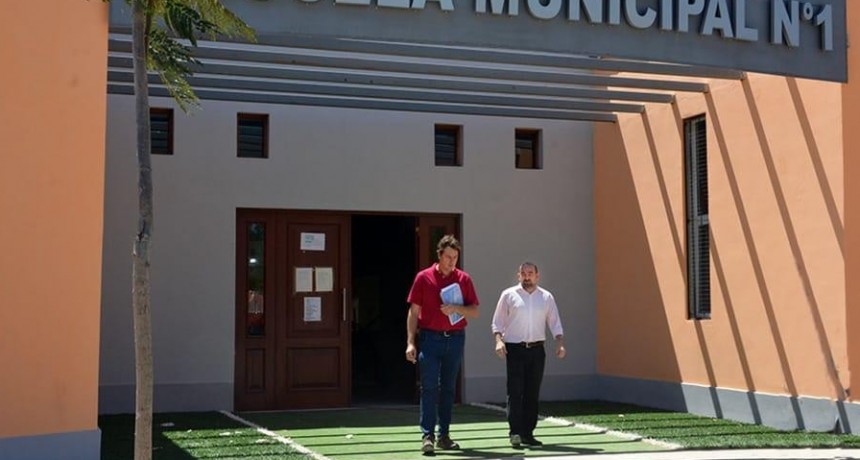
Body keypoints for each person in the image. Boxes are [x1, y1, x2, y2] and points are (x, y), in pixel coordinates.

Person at [405, 234, 480, 453]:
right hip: (429, 338)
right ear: (439, 255)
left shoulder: (464, 279)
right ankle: (427, 435)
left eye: (455, 257)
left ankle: (444, 435)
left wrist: (456, 309)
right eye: (448, 257)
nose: (452, 262)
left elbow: (475, 311)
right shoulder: (424, 278)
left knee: (448, 389)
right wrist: (411, 342)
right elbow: (413, 311)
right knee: (429, 387)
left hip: (455, 339)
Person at [491, 262, 565, 447]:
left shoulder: (546, 297)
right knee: (515, 392)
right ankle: (515, 432)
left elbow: (555, 322)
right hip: (515, 349)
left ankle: (528, 433)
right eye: (523, 273)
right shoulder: (508, 295)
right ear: (518, 276)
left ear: (537, 276)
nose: (526, 276)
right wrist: (499, 341)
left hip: (537, 350)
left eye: (530, 273)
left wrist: (560, 343)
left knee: (532, 392)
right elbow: (497, 322)